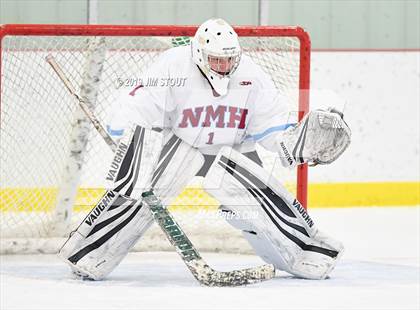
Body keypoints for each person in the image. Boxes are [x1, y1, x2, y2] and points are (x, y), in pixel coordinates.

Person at [59, 18, 351, 281]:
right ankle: (89, 253)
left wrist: (297, 145)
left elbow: (272, 123)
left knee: (258, 205)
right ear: (199, 54)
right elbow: (138, 105)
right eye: (216, 60)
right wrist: (131, 141)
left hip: (234, 147)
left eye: (229, 60)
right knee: (137, 192)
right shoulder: (173, 65)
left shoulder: (252, 75)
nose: (225, 67)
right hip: (181, 144)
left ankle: (306, 254)